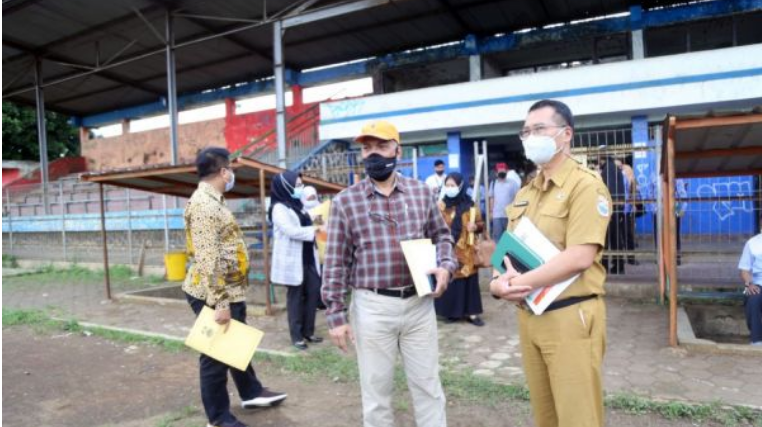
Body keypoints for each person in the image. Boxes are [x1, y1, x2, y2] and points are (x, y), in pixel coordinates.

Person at [322, 120, 456, 427]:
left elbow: (443, 237)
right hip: (373, 308)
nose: (374, 155)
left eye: (382, 147)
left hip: (418, 306)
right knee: (376, 393)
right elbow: (335, 262)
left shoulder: (421, 194)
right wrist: (336, 316)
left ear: (398, 149)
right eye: (367, 148)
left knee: (428, 387)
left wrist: (446, 266)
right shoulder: (345, 202)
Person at [490, 100, 612, 427]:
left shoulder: (586, 186)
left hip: (571, 316)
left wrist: (519, 283)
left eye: (539, 129)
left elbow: (580, 256)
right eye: (526, 131)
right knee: (546, 417)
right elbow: (507, 253)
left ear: (565, 134)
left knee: (577, 418)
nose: (530, 137)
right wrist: (497, 283)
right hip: (531, 316)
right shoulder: (527, 192)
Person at [183, 147, 287, 427]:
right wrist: (221, 302)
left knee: (234, 343)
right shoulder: (204, 204)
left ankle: (251, 392)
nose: (232, 174)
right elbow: (207, 259)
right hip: (213, 291)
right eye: (230, 169)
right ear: (222, 172)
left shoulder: (214, 200)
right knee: (216, 353)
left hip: (228, 289)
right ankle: (218, 419)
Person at [269, 171, 323, 350]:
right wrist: (314, 231)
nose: (301, 189)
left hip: (309, 258)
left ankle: (309, 331)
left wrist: (319, 216)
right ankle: (297, 336)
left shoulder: (301, 205)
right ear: (287, 186)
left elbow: (320, 222)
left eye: (301, 185)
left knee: (313, 293)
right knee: (296, 298)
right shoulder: (279, 208)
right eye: (298, 185)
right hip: (293, 260)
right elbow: (290, 230)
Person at [436, 173, 485, 326]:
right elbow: (434, 225)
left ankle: (472, 313)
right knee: (451, 280)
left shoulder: (470, 205)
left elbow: (481, 224)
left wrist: (475, 226)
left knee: (469, 281)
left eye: (453, 185)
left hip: (467, 250)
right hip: (448, 249)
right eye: (448, 185)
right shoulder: (441, 205)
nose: (450, 189)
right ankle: (452, 313)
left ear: (461, 186)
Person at [600, 153, 626, 274]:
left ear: (602, 160)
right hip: (618, 208)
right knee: (617, 238)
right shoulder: (617, 170)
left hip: (607, 209)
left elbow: (604, 191)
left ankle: (604, 266)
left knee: (604, 240)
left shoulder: (606, 171)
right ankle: (619, 265)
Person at [738, 231, 762, 346]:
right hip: (757, 284)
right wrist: (749, 285)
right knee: (753, 298)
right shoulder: (752, 243)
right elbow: (744, 271)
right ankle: (756, 340)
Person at [616, 157, 639, 266]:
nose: (619, 168)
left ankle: (630, 258)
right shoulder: (613, 175)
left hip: (626, 209)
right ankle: (619, 259)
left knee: (628, 235)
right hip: (616, 210)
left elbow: (632, 187)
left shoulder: (627, 172)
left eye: (620, 166)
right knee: (617, 236)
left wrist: (633, 203)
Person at [489, 162, 519, 242]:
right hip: (497, 215)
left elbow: (518, 197)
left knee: (509, 237)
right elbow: (491, 198)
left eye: (503, 171)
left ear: (506, 171)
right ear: (496, 173)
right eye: (500, 171)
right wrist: (491, 212)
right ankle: (498, 254)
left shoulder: (513, 183)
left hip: (509, 215)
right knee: (497, 238)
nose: (502, 172)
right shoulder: (493, 183)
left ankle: (508, 254)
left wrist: (516, 212)